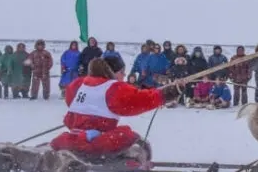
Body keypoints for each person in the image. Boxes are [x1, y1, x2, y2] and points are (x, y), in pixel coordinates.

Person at [50, 57, 181, 157]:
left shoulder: (78, 84)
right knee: (132, 137)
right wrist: (165, 95)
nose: (124, 75)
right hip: (96, 143)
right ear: (112, 72)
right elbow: (139, 100)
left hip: (72, 138)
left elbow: (71, 101)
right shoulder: (113, 88)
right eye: (122, 72)